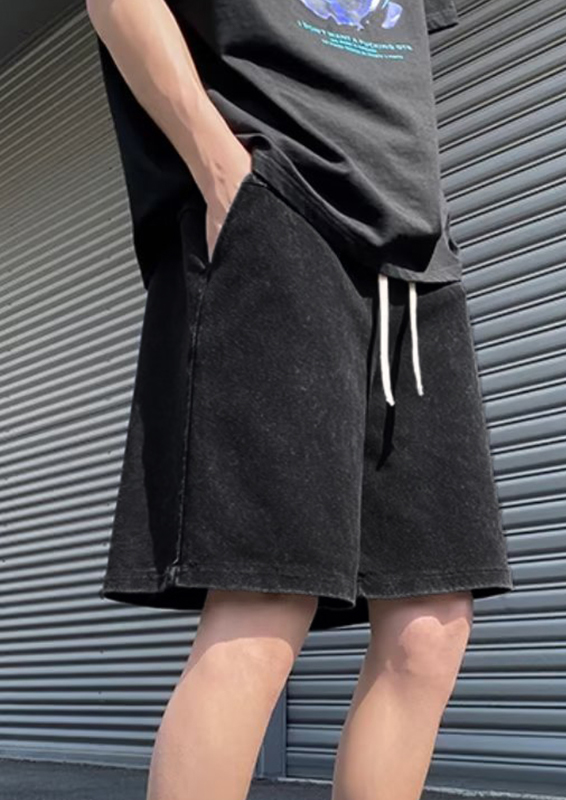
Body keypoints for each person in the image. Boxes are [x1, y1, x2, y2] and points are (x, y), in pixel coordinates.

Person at [87, 1, 515, 798]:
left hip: (416, 250)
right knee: (265, 598)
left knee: (429, 629)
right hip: (279, 197)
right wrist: (221, 169)